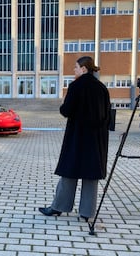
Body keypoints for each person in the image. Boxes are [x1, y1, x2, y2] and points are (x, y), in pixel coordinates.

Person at [38, 56, 111, 221]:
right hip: (97, 139)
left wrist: (64, 102)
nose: (74, 70)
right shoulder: (101, 88)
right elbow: (107, 115)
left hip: (78, 137)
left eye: (76, 67)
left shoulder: (76, 86)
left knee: (69, 172)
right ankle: (87, 212)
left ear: (84, 69)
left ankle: (58, 207)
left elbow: (66, 111)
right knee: (91, 175)